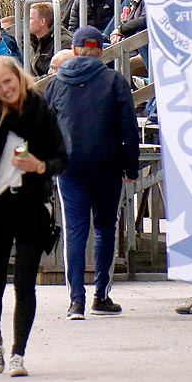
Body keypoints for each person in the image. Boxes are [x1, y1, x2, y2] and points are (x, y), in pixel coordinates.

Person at [0, 55, 68, 377]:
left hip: (31, 204)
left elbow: (62, 158)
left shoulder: (42, 113)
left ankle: (19, 352)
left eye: (9, 82)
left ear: (20, 78)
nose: (5, 90)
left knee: (25, 284)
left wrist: (40, 166)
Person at [46, 27, 139, 319]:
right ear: (100, 51)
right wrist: (131, 166)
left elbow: (45, 126)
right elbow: (129, 128)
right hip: (107, 164)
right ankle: (101, 294)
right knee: (105, 227)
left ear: (73, 51)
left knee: (75, 231)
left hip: (69, 166)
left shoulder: (56, 82)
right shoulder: (114, 81)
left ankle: (76, 300)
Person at [27, 4, 56, 77]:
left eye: (30, 18)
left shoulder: (62, 41)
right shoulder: (34, 41)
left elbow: (54, 75)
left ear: (42, 21)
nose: (27, 22)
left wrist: (31, 83)